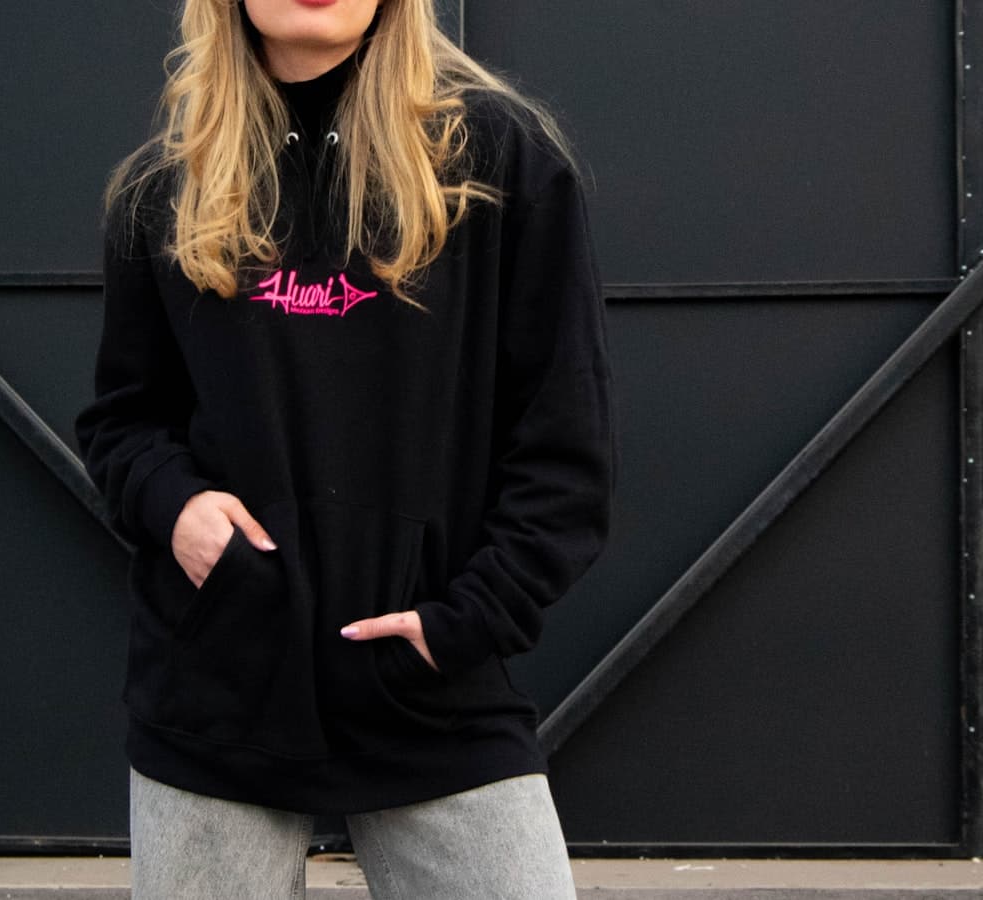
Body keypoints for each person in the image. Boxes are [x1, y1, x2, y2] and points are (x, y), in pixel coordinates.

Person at [72, 0, 615, 896]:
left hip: (433, 687)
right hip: (220, 694)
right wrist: (180, 509)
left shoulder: (498, 161)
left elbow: (568, 439)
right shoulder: (167, 186)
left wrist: (466, 623)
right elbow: (124, 421)